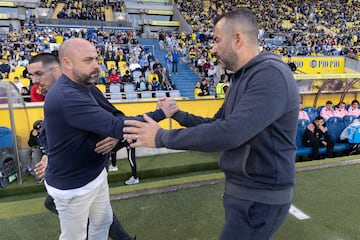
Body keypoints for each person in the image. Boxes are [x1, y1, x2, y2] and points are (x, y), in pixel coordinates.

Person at [123, 9, 299, 240]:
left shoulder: (270, 75)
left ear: (237, 39)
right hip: (245, 193)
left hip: (260, 197)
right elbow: (217, 124)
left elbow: (230, 133)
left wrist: (162, 138)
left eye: (216, 40)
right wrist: (178, 115)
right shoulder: (243, 77)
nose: (213, 48)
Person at [36, 42, 174, 239]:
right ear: (66, 63)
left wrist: (114, 135)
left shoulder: (85, 87)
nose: (96, 65)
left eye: (96, 59)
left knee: (102, 222)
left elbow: (115, 117)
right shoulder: (67, 96)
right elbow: (117, 125)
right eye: (88, 60)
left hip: (95, 173)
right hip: (74, 186)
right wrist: (162, 112)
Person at [29, 52, 136, 240]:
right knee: (93, 214)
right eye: (31, 75)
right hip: (69, 170)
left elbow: (118, 117)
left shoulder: (86, 91)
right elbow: (56, 134)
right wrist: (49, 156)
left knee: (99, 215)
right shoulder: (54, 96)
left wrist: (115, 137)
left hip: (89, 165)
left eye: (38, 74)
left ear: (55, 70)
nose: (34, 81)